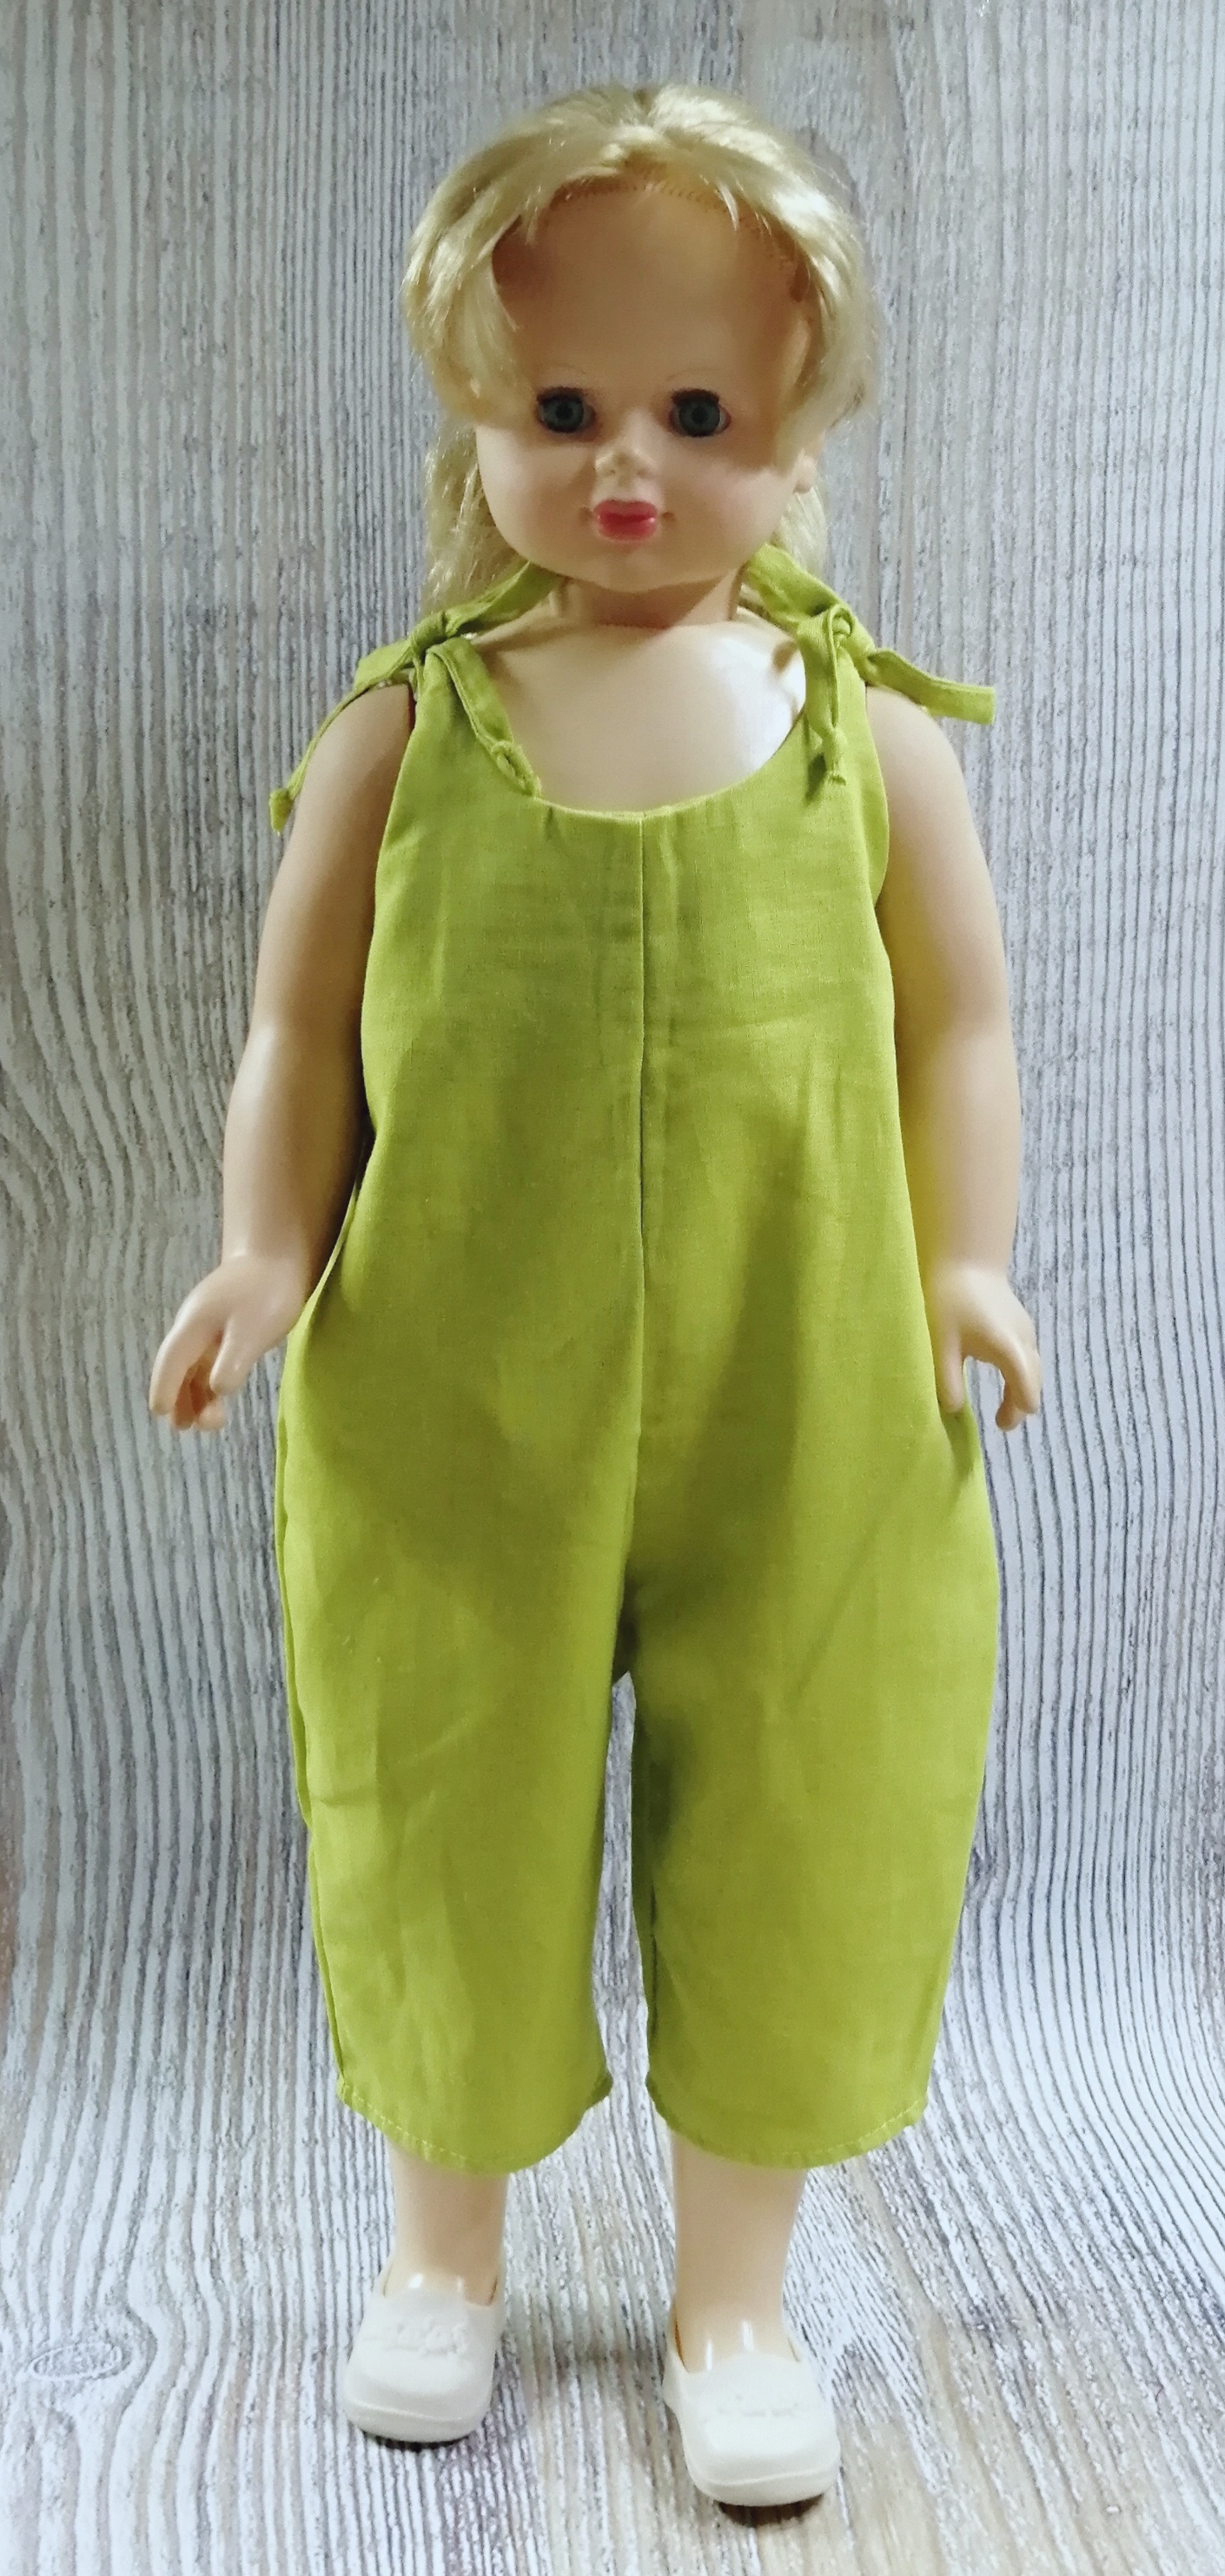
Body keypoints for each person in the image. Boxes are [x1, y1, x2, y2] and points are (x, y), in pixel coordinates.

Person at [149, 79, 1042, 2512]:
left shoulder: (863, 738)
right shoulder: (403, 730)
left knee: (808, 1805)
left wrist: (967, 1259)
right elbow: (294, 1032)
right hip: (455, 1384)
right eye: (562, 408)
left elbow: (958, 1023)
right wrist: (262, 1249)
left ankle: (734, 2297)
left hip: (809, 1376)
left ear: (794, 424)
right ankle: (439, 2258)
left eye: (696, 413)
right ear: (470, 404)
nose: (627, 462)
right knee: (442, 1793)